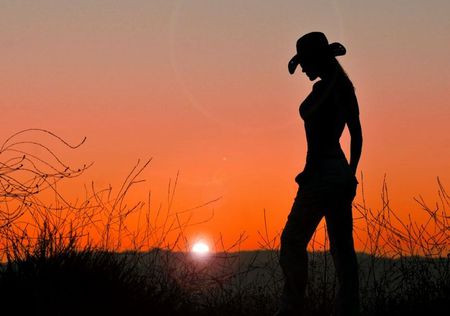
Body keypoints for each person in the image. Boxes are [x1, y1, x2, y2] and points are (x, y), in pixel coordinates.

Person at [275, 32, 363, 316]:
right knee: (341, 247)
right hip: (336, 172)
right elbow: (356, 134)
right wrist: (349, 173)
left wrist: (350, 174)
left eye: (304, 62)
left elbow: (355, 133)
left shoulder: (331, 90)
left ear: (315, 60)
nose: (302, 69)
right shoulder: (340, 88)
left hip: (322, 174)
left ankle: (292, 307)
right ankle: (348, 308)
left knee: (293, 240)